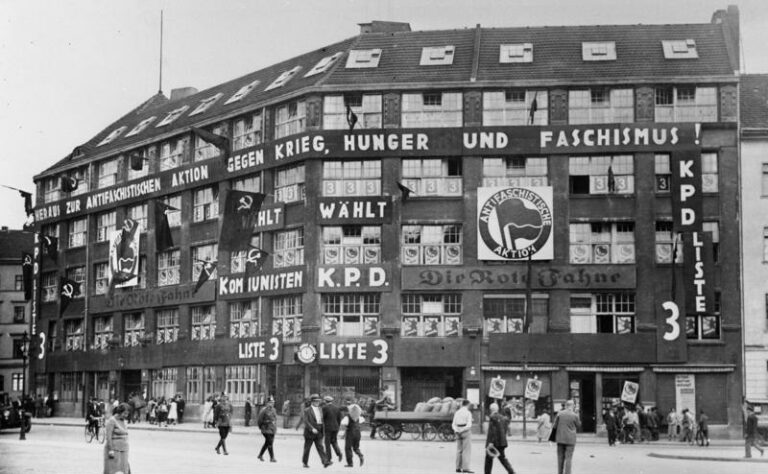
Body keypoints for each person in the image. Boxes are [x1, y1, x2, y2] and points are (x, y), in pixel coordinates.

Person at [302, 393, 331, 468]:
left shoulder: (320, 409)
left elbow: (322, 419)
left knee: (320, 447)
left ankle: (325, 462)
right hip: (310, 432)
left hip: (319, 431)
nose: (317, 402)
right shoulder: (307, 410)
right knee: (307, 448)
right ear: (312, 402)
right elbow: (306, 421)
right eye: (315, 401)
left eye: (318, 401)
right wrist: (312, 428)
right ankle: (305, 462)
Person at [485, 402, 515, 474]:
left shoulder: (493, 417)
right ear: (497, 409)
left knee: (488, 459)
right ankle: (511, 471)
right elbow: (504, 429)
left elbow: (492, 431)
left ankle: (487, 473)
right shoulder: (502, 418)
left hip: (494, 442)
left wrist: (491, 442)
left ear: (490, 409)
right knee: (502, 458)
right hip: (501, 442)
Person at [552, 399, 581, 474]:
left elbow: (554, 426)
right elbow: (579, 426)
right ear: (572, 406)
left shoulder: (560, 414)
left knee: (560, 458)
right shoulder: (575, 415)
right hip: (570, 439)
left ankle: (560, 472)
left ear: (566, 406)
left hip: (560, 438)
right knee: (568, 458)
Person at [104, 403, 131, 474]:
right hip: (115, 450)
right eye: (125, 413)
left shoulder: (124, 421)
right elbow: (108, 436)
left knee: (125, 470)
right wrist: (110, 450)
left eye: (127, 414)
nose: (126, 415)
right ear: (119, 412)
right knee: (112, 470)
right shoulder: (112, 421)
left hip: (124, 450)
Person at [340, 402, 365, 467]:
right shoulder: (359, 417)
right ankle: (360, 455)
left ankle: (350, 463)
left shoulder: (347, 417)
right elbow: (362, 421)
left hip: (350, 433)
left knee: (348, 448)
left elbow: (343, 423)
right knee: (356, 447)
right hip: (358, 433)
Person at [452, 399, 473, 473]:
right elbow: (469, 424)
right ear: (467, 405)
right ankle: (465, 468)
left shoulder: (457, 412)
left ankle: (458, 467)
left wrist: (456, 430)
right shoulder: (468, 413)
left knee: (459, 450)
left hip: (458, 431)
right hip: (465, 432)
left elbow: (453, 423)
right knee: (466, 450)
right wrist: (463, 429)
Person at [322, 396, 343, 463]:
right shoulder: (337, 408)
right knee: (334, 441)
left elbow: (322, 418)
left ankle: (329, 458)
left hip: (328, 428)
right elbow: (339, 419)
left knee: (327, 443)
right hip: (336, 428)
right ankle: (339, 453)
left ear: (325, 401)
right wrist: (338, 426)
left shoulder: (324, 408)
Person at [257, 395, 278, 462]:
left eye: (273, 402)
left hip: (272, 429)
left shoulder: (274, 410)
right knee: (269, 443)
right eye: (271, 402)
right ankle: (272, 458)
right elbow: (259, 420)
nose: (272, 403)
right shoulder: (264, 410)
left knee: (267, 443)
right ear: (267, 403)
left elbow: (275, 419)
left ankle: (260, 455)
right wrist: (261, 427)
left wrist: (275, 428)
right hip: (266, 429)